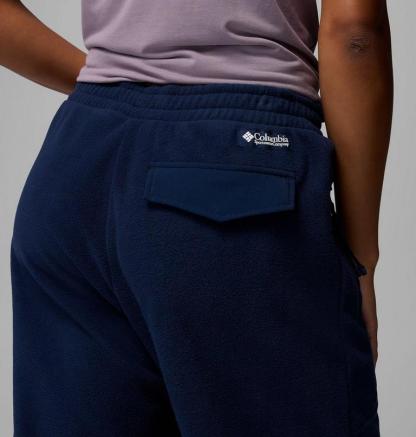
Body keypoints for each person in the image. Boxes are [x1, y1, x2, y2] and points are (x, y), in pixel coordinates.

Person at [1, 0, 393, 436]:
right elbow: (355, 30)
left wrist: (113, 82)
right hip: (237, 171)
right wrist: (360, 259)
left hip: (77, 169)